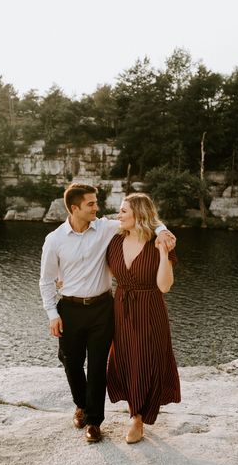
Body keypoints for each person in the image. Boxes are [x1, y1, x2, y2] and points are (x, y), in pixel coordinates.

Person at [39, 183, 176, 443]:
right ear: (74, 208)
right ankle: (80, 405)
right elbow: (46, 280)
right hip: (69, 308)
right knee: (71, 362)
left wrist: (163, 230)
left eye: (96, 203)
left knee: (99, 366)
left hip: (103, 308)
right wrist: (51, 314)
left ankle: (94, 421)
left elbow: (145, 219)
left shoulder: (104, 228)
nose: (98, 208)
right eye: (91, 204)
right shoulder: (54, 240)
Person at [106, 192, 181, 444]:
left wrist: (162, 254)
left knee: (146, 358)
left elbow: (165, 286)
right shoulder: (114, 240)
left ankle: (138, 418)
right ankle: (133, 410)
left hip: (150, 307)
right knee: (126, 357)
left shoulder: (158, 243)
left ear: (138, 214)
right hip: (121, 307)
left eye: (123, 211)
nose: (119, 215)